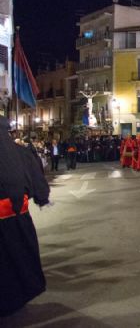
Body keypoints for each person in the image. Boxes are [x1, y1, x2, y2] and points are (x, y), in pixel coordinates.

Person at [0, 116, 51, 316]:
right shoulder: (21, 153)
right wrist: (41, 197)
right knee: (19, 258)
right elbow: (37, 180)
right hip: (18, 218)